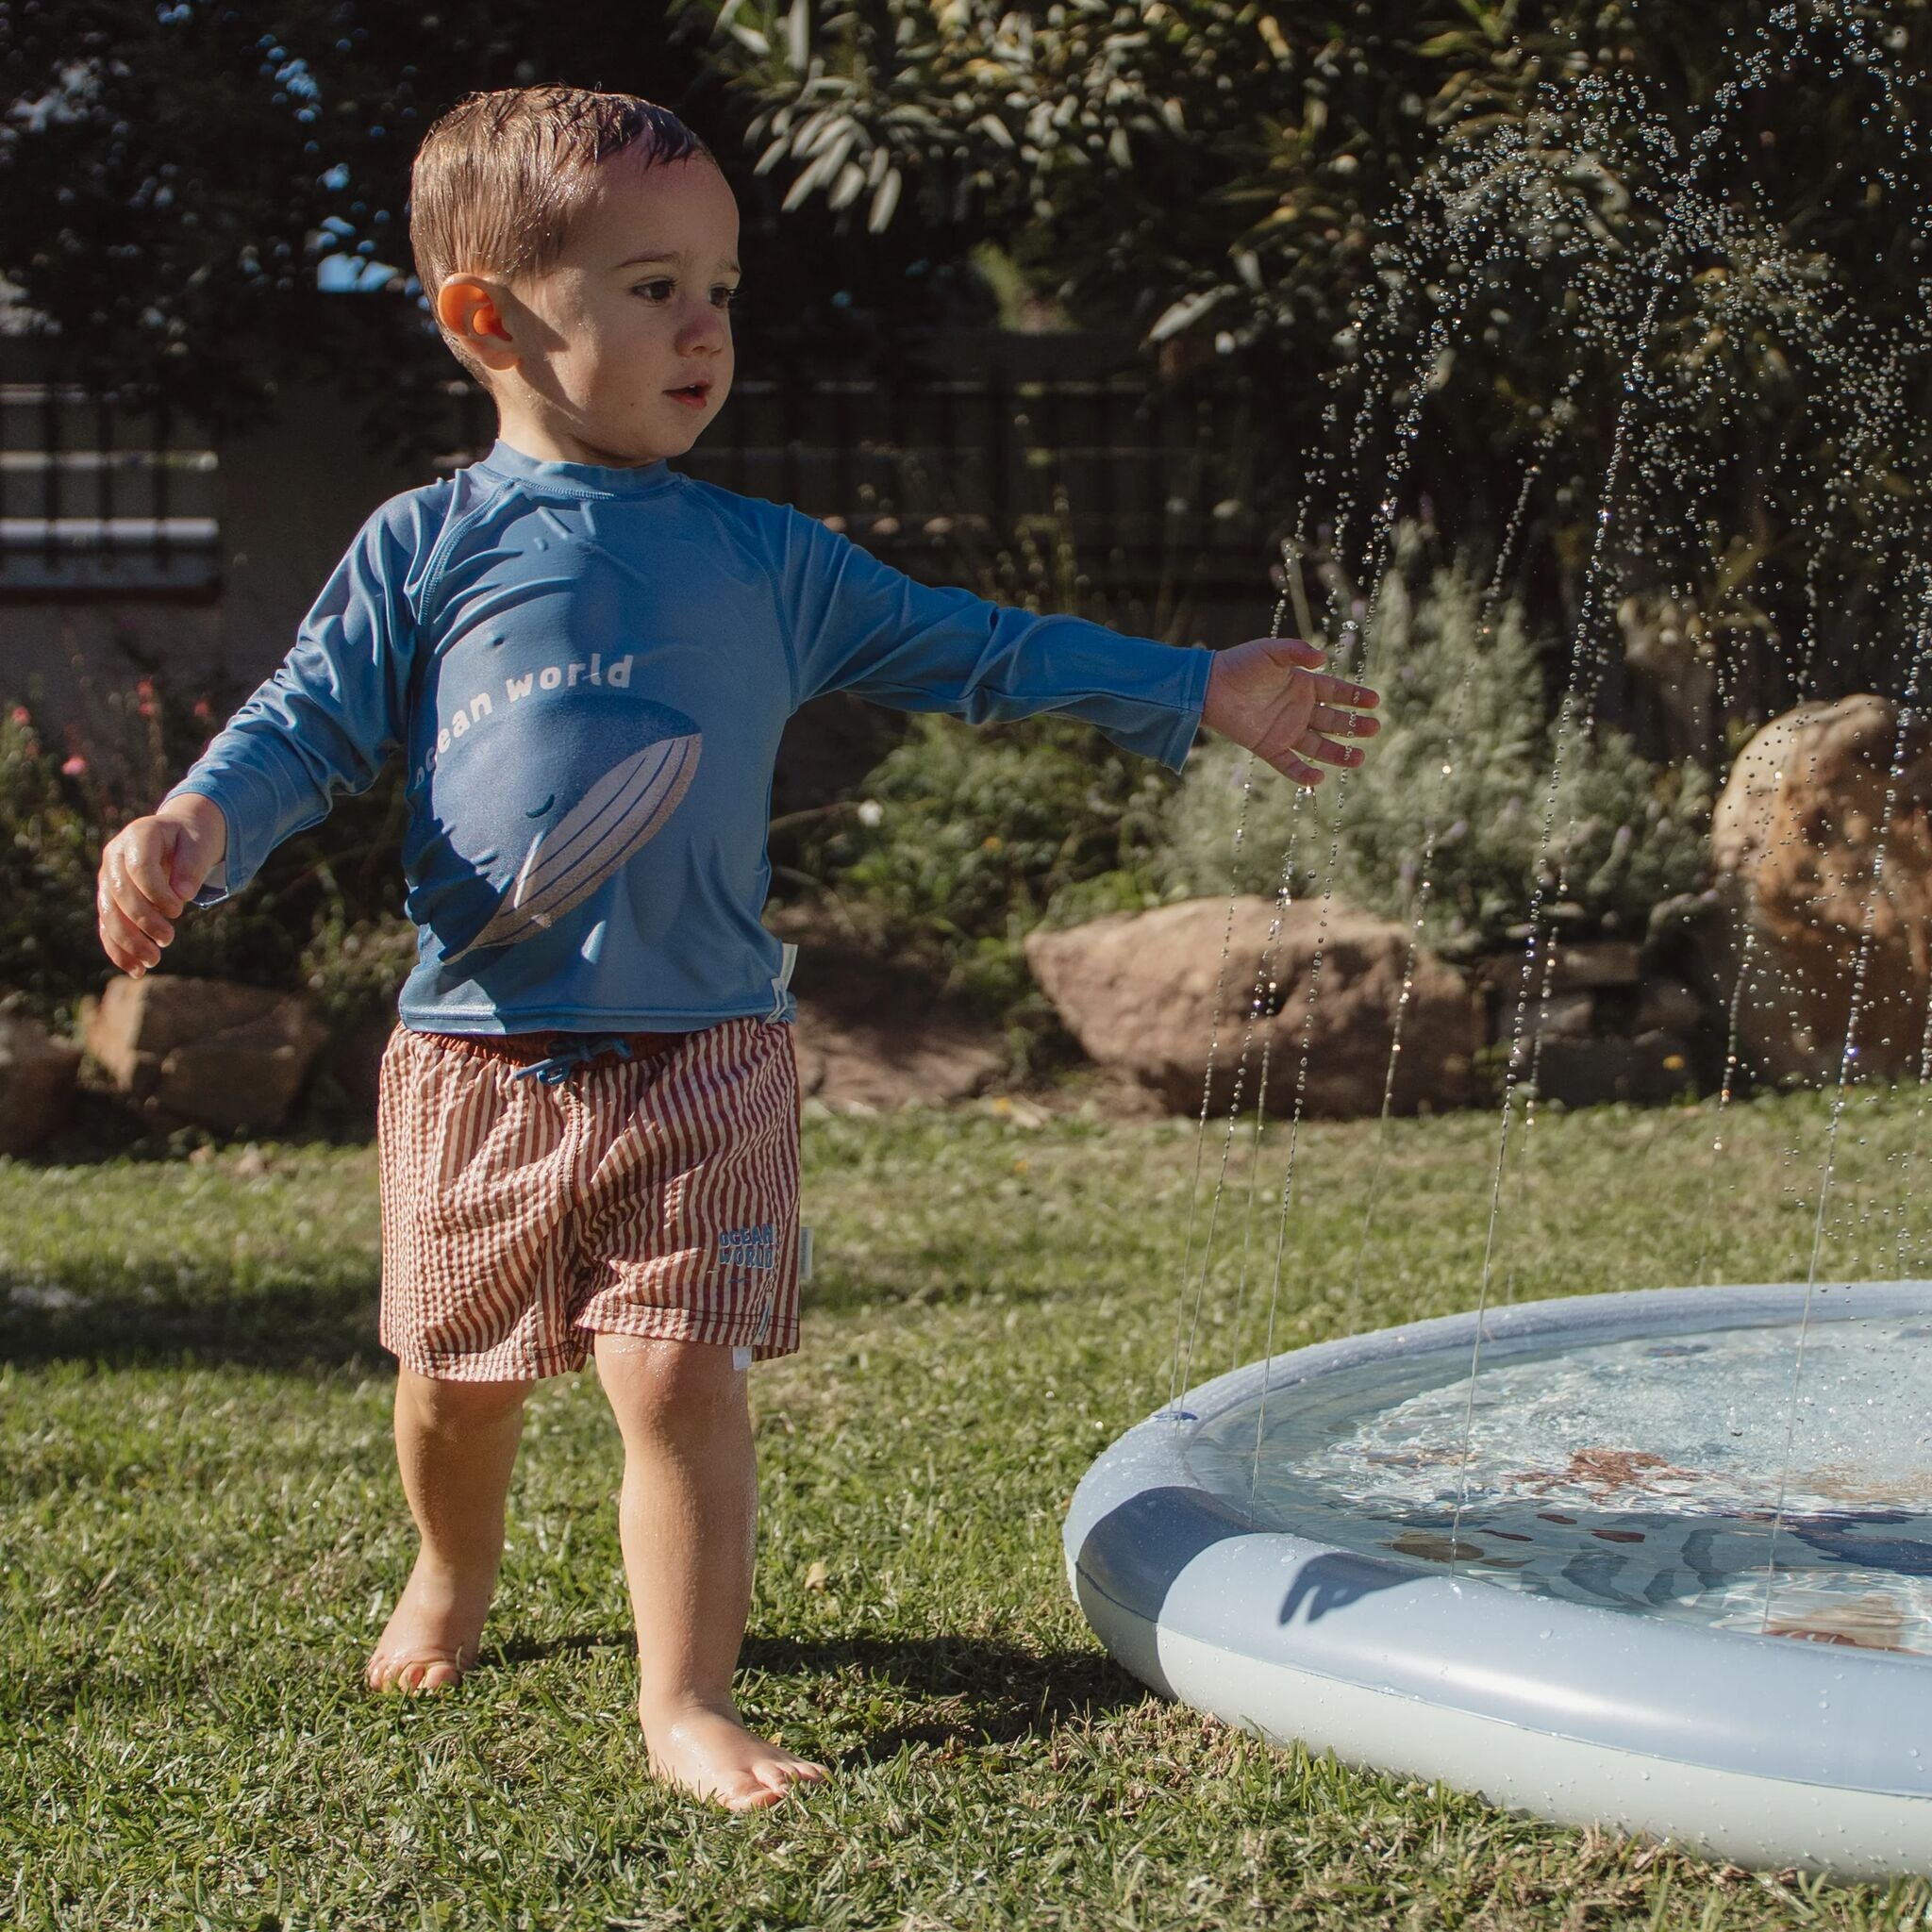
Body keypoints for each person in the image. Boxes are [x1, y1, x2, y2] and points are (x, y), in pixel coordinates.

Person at [92, 86, 1380, 1813]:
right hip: (481, 1054)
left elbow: (973, 646)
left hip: (705, 1051)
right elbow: (303, 728)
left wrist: (1188, 687)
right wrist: (193, 822)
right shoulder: (428, 545)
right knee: (459, 1385)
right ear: (489, 317)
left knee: (677, 1371)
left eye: (720, 288)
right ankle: (451, 1573)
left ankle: (685, 1702)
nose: (703, 327)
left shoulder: (766, 558)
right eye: (649, 288)